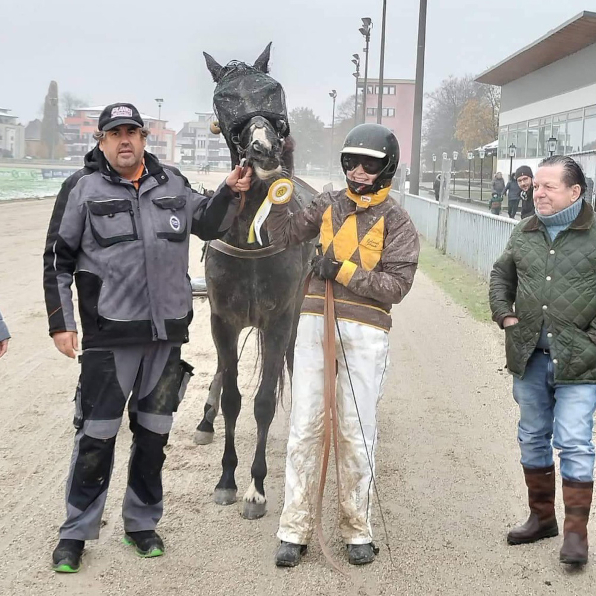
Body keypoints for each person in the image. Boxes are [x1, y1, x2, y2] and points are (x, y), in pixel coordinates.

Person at [43, 103, 250, 573]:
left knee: (154, 437)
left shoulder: (172, 182)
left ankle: (141, 524)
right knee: (96, 437)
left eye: (132, 132)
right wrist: (62, 321)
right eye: (114, 133)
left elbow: (209, 223)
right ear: (101, 141)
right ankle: (75, 532)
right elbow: (57, 258)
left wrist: (229, 191)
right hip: (108, 337)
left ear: (143, 138)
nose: (124, 141)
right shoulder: (81, 188)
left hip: (165, 337)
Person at [266, 123, 419, 567]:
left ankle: (357, 530)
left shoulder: (398, 221)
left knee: (356, 429)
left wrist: (344, 271)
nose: (358, 172)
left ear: (386, 167)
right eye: (351, 162)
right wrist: (275, 196)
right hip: (315, 323)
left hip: (367, 332)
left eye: (368, 165)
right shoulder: (328, 203)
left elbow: (397, 285)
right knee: (304, 425)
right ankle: (293, 530)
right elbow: (284, 235)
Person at [489, 155, 596, 567]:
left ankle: (575, 534)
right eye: (536, 186)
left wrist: (591, 340)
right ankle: (541, 518)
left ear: (575, 191)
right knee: (532, 436)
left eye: (549, 186)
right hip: (530, 355)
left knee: (573, 441)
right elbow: (502, 276)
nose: (539, 192)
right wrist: (505, 314)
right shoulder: (525, 231)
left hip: (582, 362)